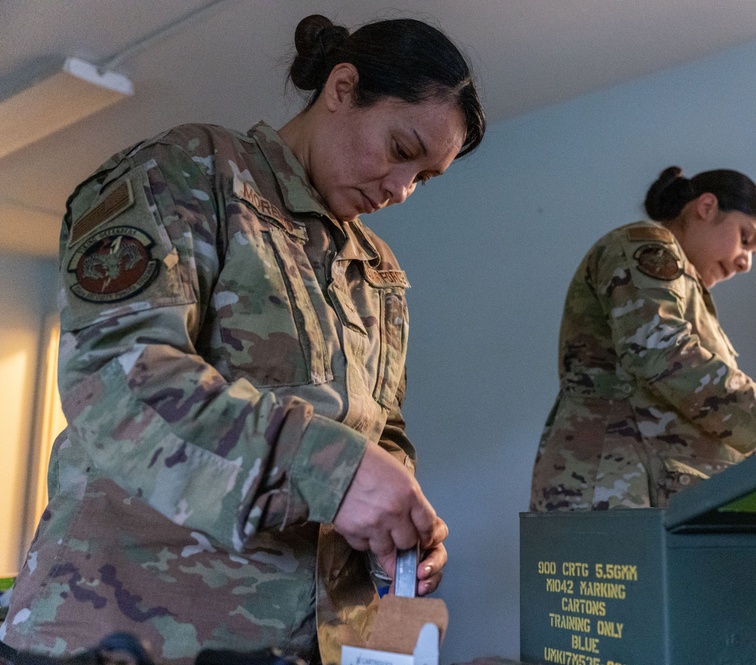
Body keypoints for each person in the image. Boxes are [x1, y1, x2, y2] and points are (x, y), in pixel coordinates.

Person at [0, 13, 484, 665]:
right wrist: (333, 470)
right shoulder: (189, 174)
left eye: (424, 177)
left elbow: (382, 431)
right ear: (342, 88)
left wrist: (396, 517)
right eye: (402, 150)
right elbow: (117, 378)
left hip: (313, 641)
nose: (402, 189)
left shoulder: (378, 271)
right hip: (135, 630)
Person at [530, 166, 756, 512]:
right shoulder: (646, 244)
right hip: (610, 490)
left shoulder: (689, 292)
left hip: (646, 492)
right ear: (706, 207)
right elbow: (659, 349)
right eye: (745, 238)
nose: (746, 263)